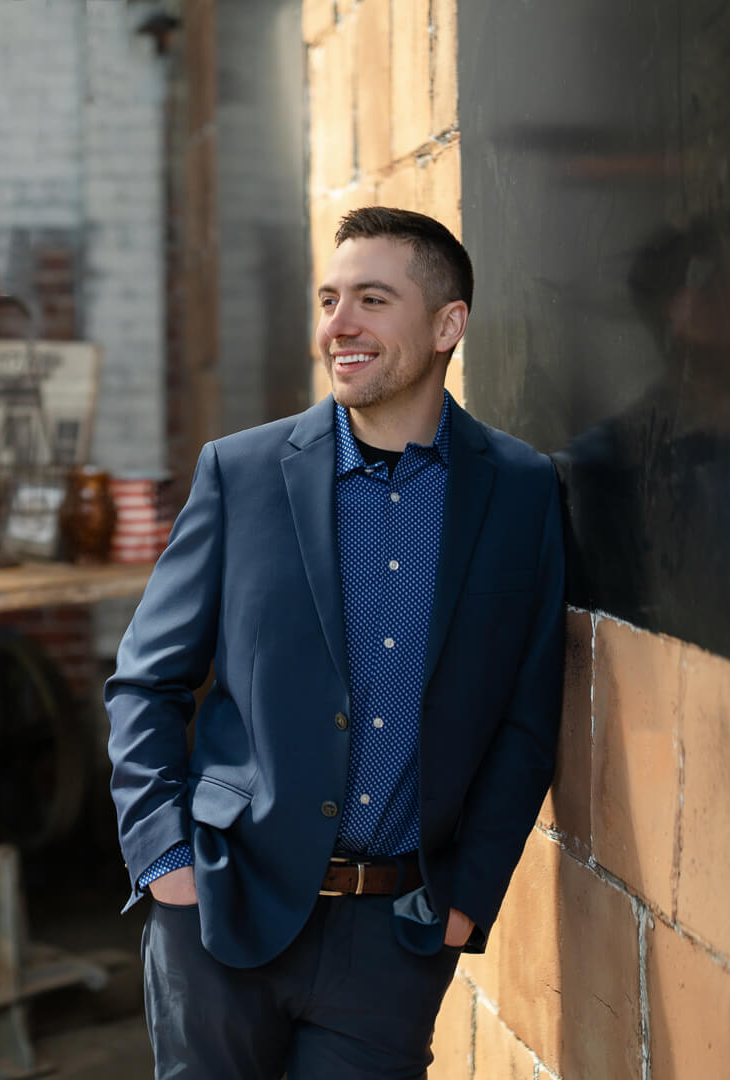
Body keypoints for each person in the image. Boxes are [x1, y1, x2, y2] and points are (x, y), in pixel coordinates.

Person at [105, 206, 566, 1078]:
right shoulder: (239, 474)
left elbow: (527, 717)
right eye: (329, 299)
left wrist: (467, 900)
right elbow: (145, 681)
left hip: (392, 940)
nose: (338, 325)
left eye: (371, 300)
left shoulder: (520, 491)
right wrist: (164, 856)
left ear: (447, 325)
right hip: (222, 907)